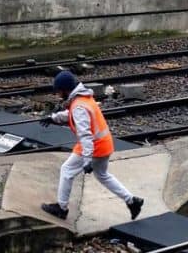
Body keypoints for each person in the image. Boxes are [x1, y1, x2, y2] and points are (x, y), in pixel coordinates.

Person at [39, 71, 144, 220]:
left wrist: (87, 159)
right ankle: (132, 201)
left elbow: (85, 133)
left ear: (65, 89)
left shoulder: (78, 106)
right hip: (104, 144)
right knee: (102, 175)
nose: (57, 95)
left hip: (93, 147)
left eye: (58, 92)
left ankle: (61, 208)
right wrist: (53, 118)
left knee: (67, 170)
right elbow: (71, 114)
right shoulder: (83, 98)